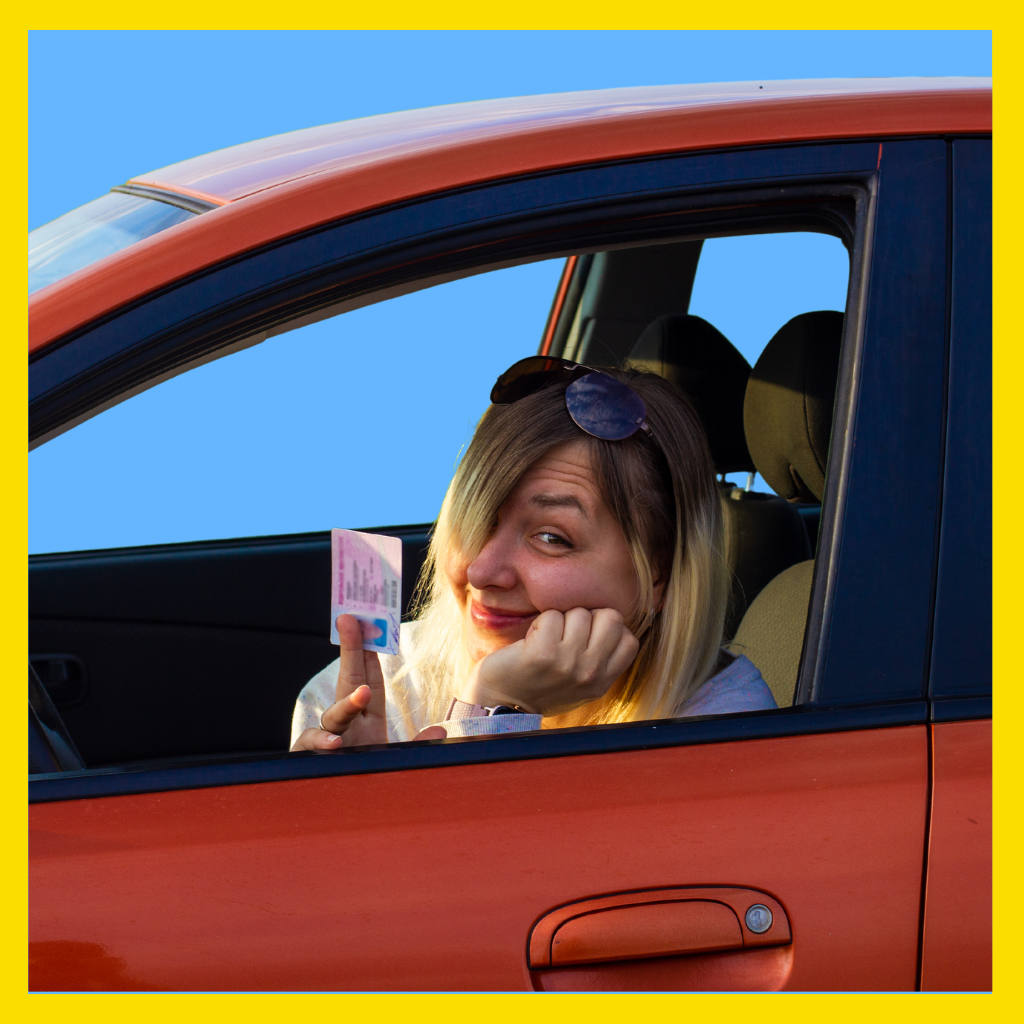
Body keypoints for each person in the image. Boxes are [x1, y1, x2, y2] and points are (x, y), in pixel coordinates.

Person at [290, 358, 775, 752]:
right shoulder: (381, 689)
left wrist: (495, 709)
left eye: (551, 537)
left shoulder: (722, 733)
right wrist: (345, 800)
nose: (481, 571)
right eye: (479, 518)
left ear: (660, 578)